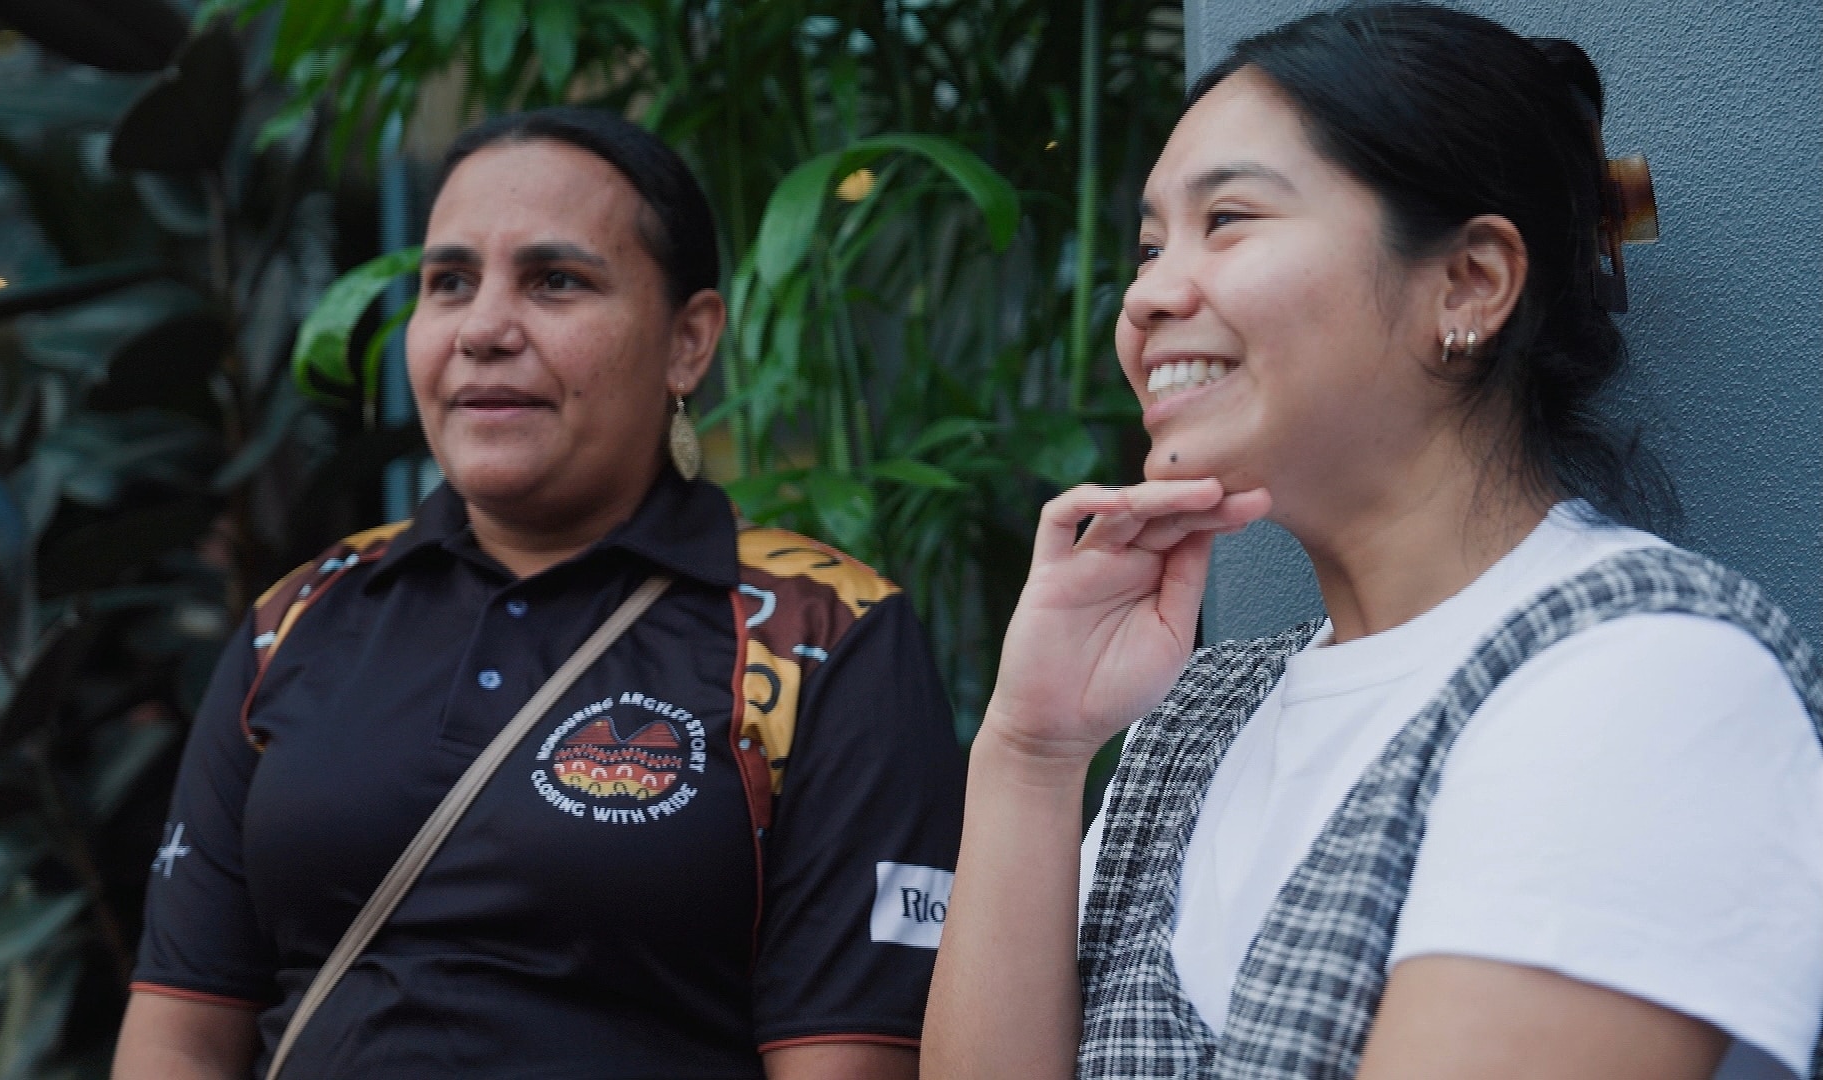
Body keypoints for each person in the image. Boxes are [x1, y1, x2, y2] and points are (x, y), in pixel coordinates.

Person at [924, 7, 1823, 1080]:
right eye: (1153, 246)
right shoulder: (1190, 721)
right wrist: (1030, 755)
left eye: (1231, 220)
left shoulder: (1654, 680)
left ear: (1470, 283)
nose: (1148, 294)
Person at [113, 107, 966, 1080]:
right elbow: (179, 1032)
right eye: (449, 283)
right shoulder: (300, 618)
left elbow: (849, 1063)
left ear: (689, 342)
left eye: (556, 281)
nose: (483, 329)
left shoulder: (823, 632)